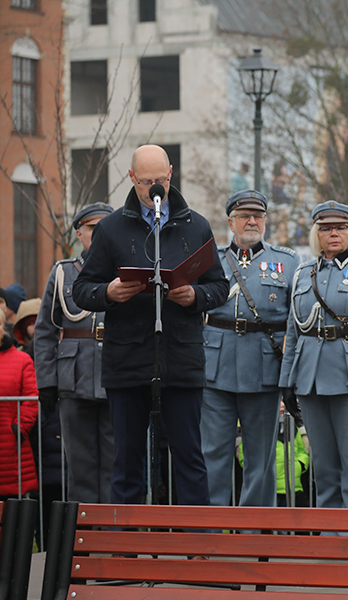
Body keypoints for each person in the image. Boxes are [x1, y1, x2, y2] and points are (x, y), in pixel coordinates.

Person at [72, 144, 228, 506]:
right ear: (131, 178)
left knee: (189, 457)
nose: (154, 189)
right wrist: (109, 292)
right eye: (146, 183)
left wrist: (195, 297)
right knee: (126, 460)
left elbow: (219, 286)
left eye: (160, 181)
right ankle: (126, 553)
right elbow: (82, 289)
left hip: (181, 358)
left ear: (171, 174)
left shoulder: (196, 225)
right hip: (127, 360)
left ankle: (196, 550)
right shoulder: (110, 229)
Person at [281, 201, 348, 511]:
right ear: (317, 234)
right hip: (310, 380)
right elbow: (294, 331)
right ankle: (330, 536)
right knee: (323, 465)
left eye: (340, 227)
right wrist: (287, 380)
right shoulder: (302, 274)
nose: (334, 233)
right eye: (326, 228)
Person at [200, 189, 299, 508]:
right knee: (212, 454)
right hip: (216, 368)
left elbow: (295, 321)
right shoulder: (209, 258)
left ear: (266, 221)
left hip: (264, 368)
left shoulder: (287, 261)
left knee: (261, 457)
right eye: (244, 216)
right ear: (231, 221)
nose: (252, 221)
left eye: (258, 216)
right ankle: (210, 535)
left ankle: (254, 535)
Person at [33, 202, 115, 505]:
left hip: (114, 377)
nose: (99, 234)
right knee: (79, 466)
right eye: (93, 228)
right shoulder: (63, 273)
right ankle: (83, 538)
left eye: (106, 228)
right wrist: (47, 381)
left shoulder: (126, 273)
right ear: (79, 233)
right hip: (73, 379)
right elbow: (45, 331)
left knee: (114, 463)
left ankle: (112, 537)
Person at [0, 310, 39, 500]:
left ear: (2, 328)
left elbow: (31, 399)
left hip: (12, 449)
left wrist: (18, 429)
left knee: (13, 518)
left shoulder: (22, 360)